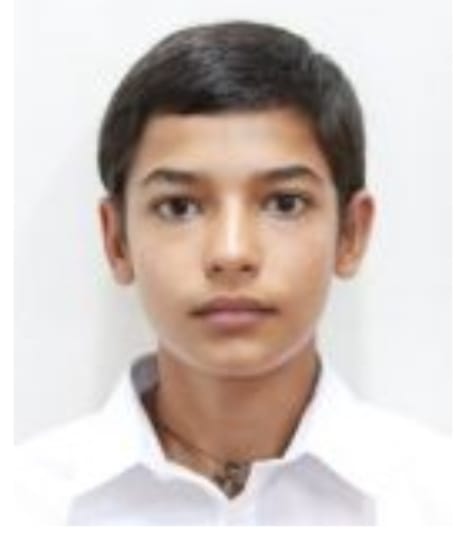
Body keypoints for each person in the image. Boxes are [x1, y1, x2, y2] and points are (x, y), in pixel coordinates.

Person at [14, 20, 451, 525]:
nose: (231, 253)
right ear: (116, 240)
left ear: (351, 233)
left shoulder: (445, 502)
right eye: (179, 207)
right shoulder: (27, 507)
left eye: (285, 203)